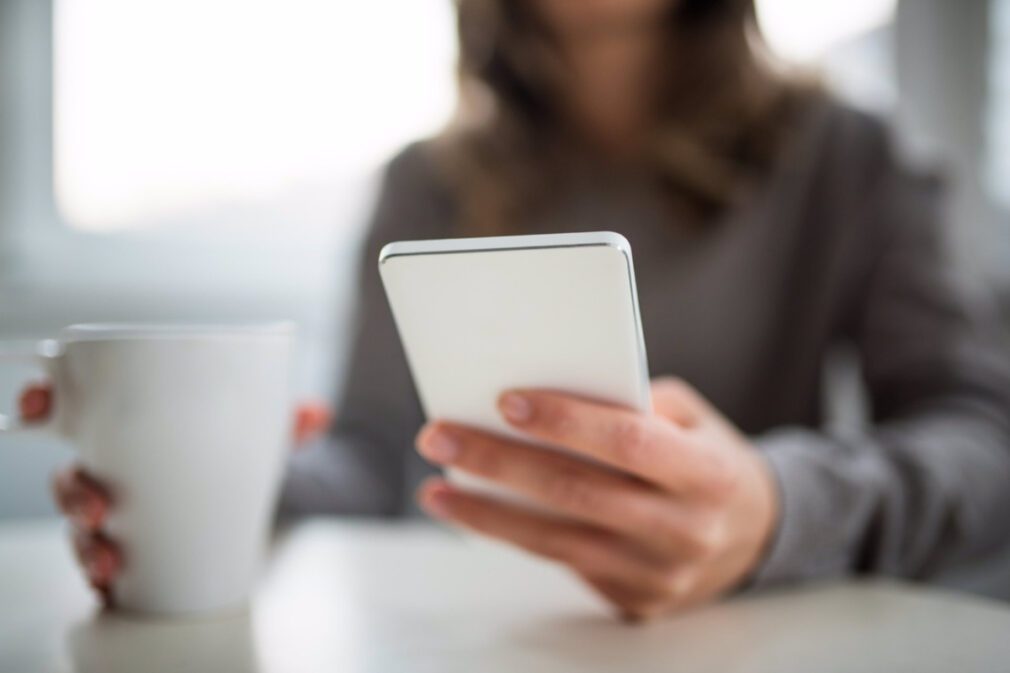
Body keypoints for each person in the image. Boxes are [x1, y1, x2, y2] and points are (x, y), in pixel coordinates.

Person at [21, 0, 1010, 620]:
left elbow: (982, 436)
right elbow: (373, 451)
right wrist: (223, 476)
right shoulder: (424, 184)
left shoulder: (851, 159)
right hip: (484, 637)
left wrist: (779, 508)